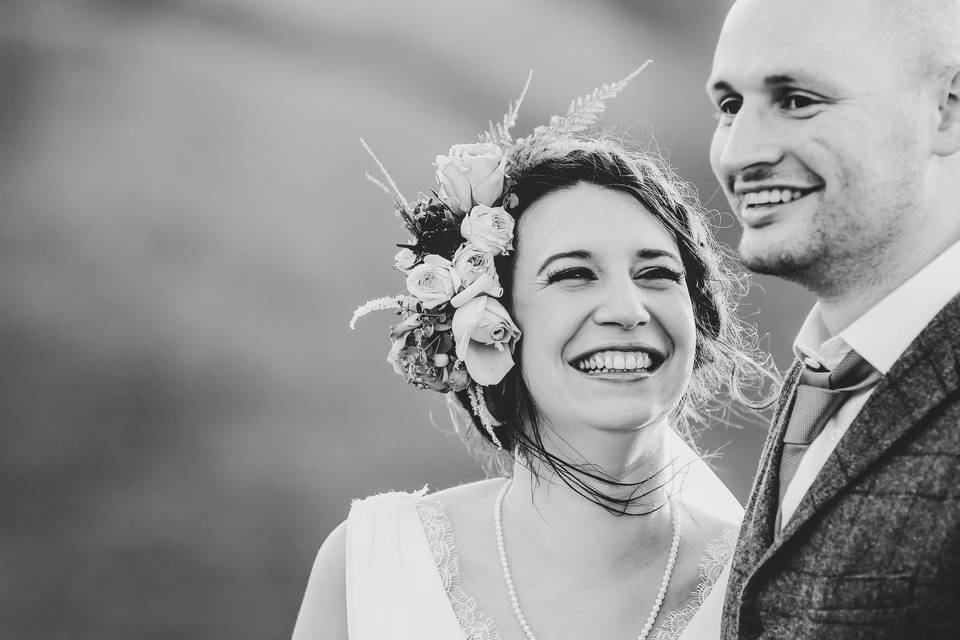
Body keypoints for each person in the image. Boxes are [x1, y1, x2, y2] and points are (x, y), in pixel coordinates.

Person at [292, 71, 774, 639]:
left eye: (657, 274)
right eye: (573, 274)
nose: (628, 307)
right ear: (493, 320)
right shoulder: (373, 563)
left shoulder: (765, 592)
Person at [706, 0, 960, 637]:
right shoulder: (829, 369)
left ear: (946, 109)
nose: (740, 153)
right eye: (730, 105)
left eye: (796, 99)